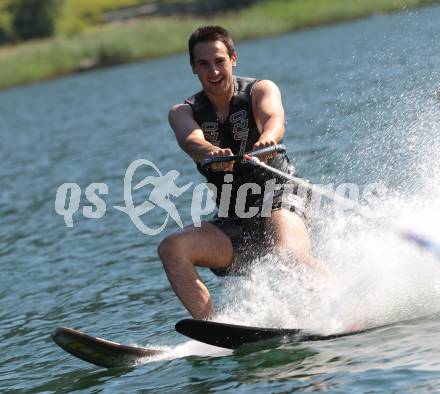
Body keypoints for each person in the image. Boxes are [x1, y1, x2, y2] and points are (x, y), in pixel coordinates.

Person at [158, 25, 328, 320]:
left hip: (281, 194)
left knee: (287, 254)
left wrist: (268, 138)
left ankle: (342, 308)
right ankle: (212, 329)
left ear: (233, 59)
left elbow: (274, 118)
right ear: (193, 68)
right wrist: (209, 152)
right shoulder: (182, 112)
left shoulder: (260, 89)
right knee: (172, 248)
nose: (213, 71)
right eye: (204, 64)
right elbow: (191, 140)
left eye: (219, 61)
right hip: (235, 215)